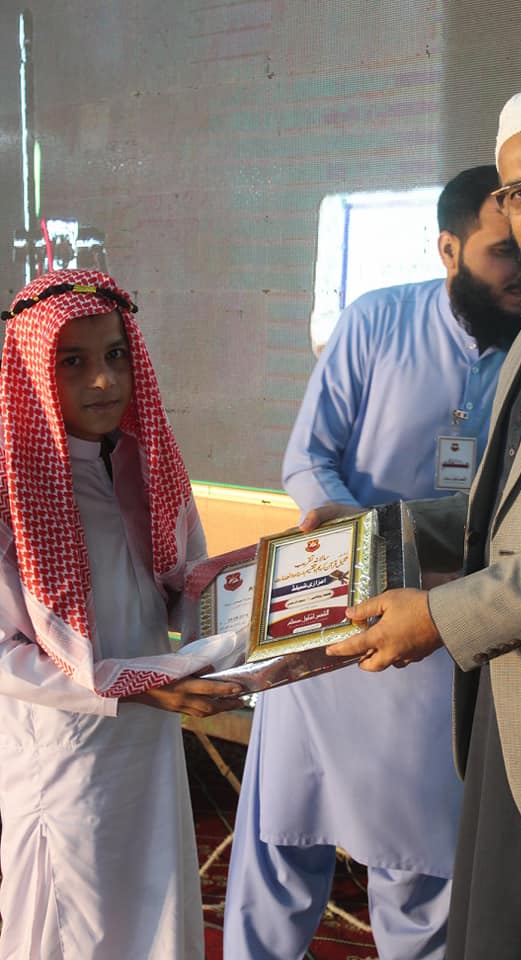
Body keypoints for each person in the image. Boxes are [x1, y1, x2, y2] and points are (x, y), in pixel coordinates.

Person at [326, 80, 521, 960]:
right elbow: (501, 501)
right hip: (514, 725)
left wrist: (442, 616)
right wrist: (372, 537)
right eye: (518, 191)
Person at [223, 166, 521, 959]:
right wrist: (358, 540)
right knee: (281, 843)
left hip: (433, 646)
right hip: (326, 626)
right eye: (501, 253)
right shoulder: (377, 321)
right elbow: (307, 459)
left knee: (419, 865)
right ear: (448, 249)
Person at [0, 269, 245, 959]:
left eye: (114, 356)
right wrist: (127, 685)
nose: (104, 381)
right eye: (73, 363)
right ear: (33, 372)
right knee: (71, 930)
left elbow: (179, 585)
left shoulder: (144, 462)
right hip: (66, 755)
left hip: (150, 744)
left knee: (154, 921)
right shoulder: (9, 487)